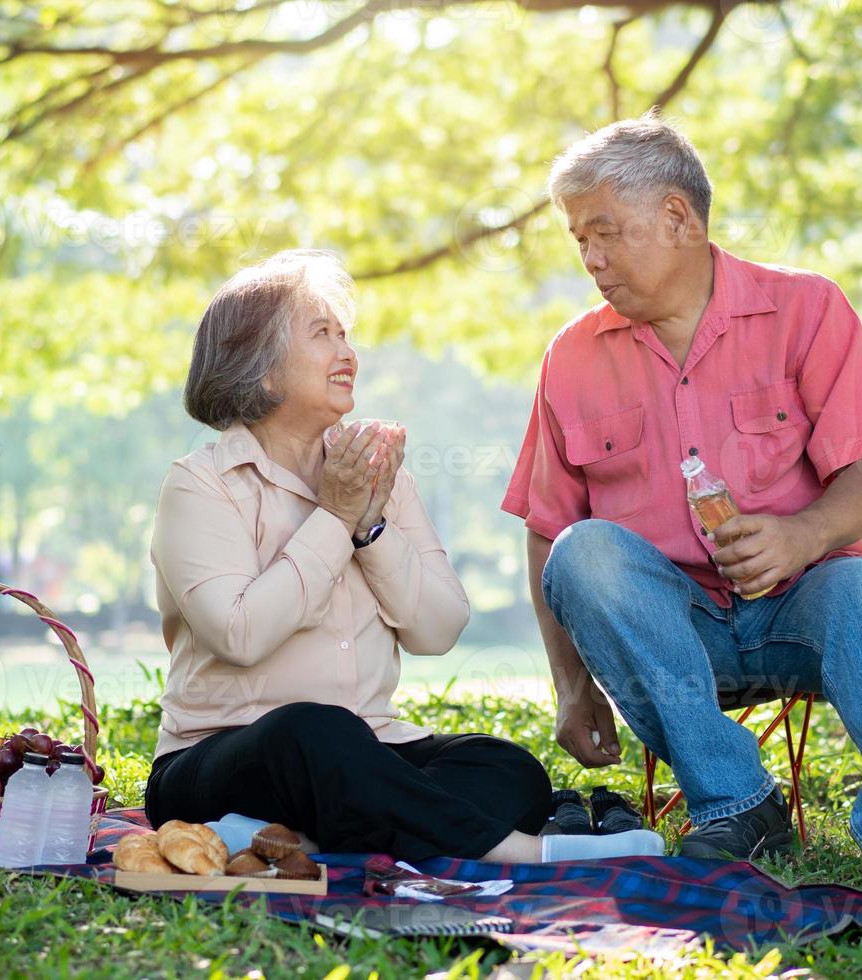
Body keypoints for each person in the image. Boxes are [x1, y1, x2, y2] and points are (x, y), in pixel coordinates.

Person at [502, 116, 862, 914]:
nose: (589, 259)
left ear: (677, 219)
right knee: (584, 551)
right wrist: (571, 686)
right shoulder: (572, 354)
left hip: (804, 609)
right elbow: (545, 529)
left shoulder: (806, 309)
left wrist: (800, 536)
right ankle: (739, 804)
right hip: (672, 635)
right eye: (577, 239)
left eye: (604, 233)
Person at [145, 249, 662, 864]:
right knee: (312, 728)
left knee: (506, 767)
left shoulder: (378, 473)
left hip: (368, 748)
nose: (347, 352)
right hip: (222, 755)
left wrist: (371, 528)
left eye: (345, 334)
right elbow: (241, 635)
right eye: (321, 334)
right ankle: (524, 853)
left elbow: (438, 630)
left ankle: (291, 838)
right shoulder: (200, 483)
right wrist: (334, 518)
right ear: (264, 373)